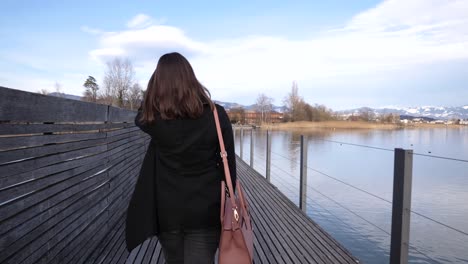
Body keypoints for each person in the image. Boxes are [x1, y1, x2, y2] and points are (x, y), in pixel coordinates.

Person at [125, 52, 236, 264]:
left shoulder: (153, 121)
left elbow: (139, 115)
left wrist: (154, 89)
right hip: (207, 212)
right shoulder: (216, 114)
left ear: (158, 84)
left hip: (167, 213)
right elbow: (228, 167)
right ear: (191, 79)